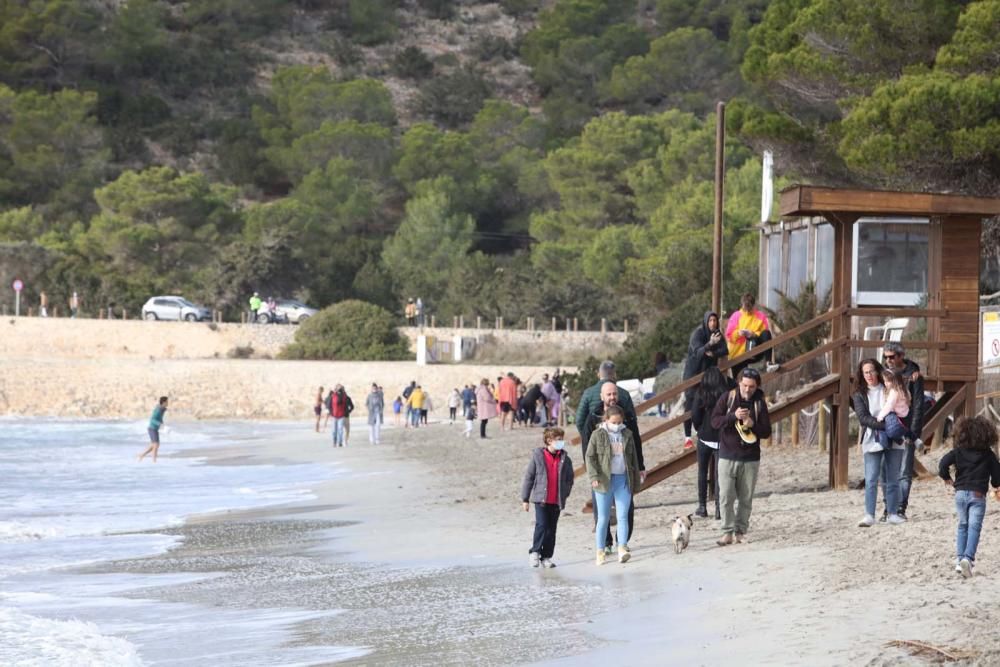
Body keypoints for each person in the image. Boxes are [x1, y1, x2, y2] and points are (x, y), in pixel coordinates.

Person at [581, 382, 646, 552]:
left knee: (626, 511)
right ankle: (606, 544)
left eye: (614, 394)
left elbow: (636, 442)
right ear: (602, 396)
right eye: (609, 394)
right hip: (601, 474)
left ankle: (622, 543)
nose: (612, 398)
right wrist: (592, 473)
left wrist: (641, 465)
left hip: (623, 474)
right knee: (601, 513)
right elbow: (587, 446)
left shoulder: (627, 416)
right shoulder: (593, 417)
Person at [711, 368, 772, 545]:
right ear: (739, 383)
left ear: (757, 386)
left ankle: (740, 532)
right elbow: (714, 421)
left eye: (751, 386)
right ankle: (727, 532)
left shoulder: (760, 403)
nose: (747, 389)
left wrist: (753, 424)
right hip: (727, 454)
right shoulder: (727, 398)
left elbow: (766, 432)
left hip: (750, 457)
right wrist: (732, 416)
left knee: (746, 498)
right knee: (725, 496)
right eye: (744, 385)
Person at [938, 416, 1000, 578]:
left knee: (962, 525)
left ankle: (959, 560)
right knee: (974, 527)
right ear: (986, 435)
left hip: (960, 494)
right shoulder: (988, 455)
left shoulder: (958, 451)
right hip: (977, 494)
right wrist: (995, 485)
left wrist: (946, 478)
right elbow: (997, 477)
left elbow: (943, 463)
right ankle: (968, 558)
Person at [851, 359, 905, 527]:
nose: (869, 375)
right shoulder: (859, 394)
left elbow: (902, 405)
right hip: (872, 437)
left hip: (894, 436)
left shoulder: (889, 388)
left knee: (893, 477)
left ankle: (893, 512)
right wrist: (886, 426)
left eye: (872, 371)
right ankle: (869, 514)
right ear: (861, 374)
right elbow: (864, 418)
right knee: (871, 478)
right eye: (866, 372)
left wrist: (896, 427)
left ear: (878, 371)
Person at [586, 405, 641, 565]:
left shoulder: (628, 434)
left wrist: (636, 480)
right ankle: (600, 550)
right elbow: (590, 457)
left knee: (623, 516)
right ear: (607, 420)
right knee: (603, 519)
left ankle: (622, 547)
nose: (617, 425)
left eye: (619, 422)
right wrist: (594, 476)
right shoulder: (597, 435)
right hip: (604, 481)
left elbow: (634, 460)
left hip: (623, 479)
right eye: (614, 422)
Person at [882, 341, 927, 520]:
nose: (888, 360)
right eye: (886, 357)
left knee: (904, 471)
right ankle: (888, 508)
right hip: (887, 427)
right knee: (885, 471)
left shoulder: (913, 376)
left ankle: (900, 508)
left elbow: (918, 405)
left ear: (901, 356)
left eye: (892, 357)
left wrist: (914, 432)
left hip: (906, 428)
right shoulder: (884, 372)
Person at [521, 427, 575, 568]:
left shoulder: (565, 459)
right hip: (541, 499)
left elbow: (570, 479)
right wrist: (525, 499)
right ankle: (535, 551)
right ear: (549, 440)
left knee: (552, 529)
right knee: (542, 525)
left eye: (562, 439)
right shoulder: (538, 456)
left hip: (556, 500)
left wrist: (565, 493)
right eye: (558, 440)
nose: (561, 442)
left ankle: (546, 557)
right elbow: (529, 478)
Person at [682, 311, 729, 448]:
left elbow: (725, 350)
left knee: (706, 401)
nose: (713, 323)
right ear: (706, 321)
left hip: (708, 375)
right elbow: (697, 352)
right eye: (710, 321)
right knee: (690, 403)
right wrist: (709, 344)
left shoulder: (718, 334)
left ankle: (700, 431)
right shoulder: (698, 334)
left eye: (715, 320)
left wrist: (712, 352)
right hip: (693, 373)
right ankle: (687, 437)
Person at [691, 367, 731, 519]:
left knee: (702, 472)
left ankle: (702, 506)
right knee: (720, 474)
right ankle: (719, 509)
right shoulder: (726, 394)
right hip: (722, 437)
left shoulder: (701, 393)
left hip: (704, 437)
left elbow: (695, 415)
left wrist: (699, 428)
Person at [725, 293, 774, 378]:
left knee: (766, 333)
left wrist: (754, 334)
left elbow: (765, 332)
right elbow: (729, 335)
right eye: (745, 308)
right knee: (739, 380)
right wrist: (738, 333)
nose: (747, 310)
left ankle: (768, 363)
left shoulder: (760, 316)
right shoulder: (736, 316)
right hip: (738, 353)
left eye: (749, 308)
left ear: (753, 305)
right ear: (742, 304)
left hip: (754, 348)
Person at [875, 369, 918, 450]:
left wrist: (880, 416)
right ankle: (912, 439)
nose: (885, 383)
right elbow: (909, 398)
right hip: (905, 415)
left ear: (895, 381)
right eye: (884, 381)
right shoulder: (904, 390)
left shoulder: (894, 391)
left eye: (888, 381)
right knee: (904, 430)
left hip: (896, 417)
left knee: (885, 426)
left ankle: (883, 443)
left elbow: (889, 405)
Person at [138, 396, 169, 462]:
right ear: (163, 402)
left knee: (154, 445)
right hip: (152, 428)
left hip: (155, 429)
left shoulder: (162, 409)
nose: (168, 403)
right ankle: (154, 461)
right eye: (167, 402)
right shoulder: (158, 410)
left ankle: (142, 455)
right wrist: (160, 424)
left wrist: (162, 425)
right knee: (156, 445)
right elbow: (152, 420)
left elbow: (159, 418)